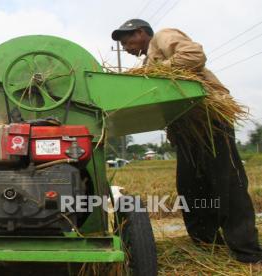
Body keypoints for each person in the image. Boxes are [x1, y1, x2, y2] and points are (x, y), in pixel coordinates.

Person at [111, 19, 262, 263]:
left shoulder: (162, 36)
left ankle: (248, 253)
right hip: (185, 130)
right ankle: (207, 245)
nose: (125, 47)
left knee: (227, 185)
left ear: (141, 33)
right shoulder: (147, 62)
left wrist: (158, 72)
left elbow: (194, 55)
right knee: (191, 188)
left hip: (208, 121)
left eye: (127, 40)